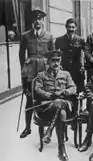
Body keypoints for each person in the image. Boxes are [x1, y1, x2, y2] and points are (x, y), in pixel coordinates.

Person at [35, 50, 77, 161]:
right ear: (48, 62)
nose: (56, 63)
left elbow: (73, 88)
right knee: (61, 112)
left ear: (61, 61)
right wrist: (49, 95)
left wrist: (63, 92)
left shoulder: (66, 74)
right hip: (47, 108)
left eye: (58, 60)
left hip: (65, 103)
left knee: (60, 104)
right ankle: (61, 150)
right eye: (53, 61)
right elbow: (37, 90)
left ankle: (49, 132)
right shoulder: (41, 75)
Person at [19, 8, 54, 138]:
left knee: (45, 98)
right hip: (30, 72)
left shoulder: (49, 36)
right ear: (32, 22)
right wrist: (24, 71)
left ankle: (47, 126)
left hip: (44, 72)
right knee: (29, 99)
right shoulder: (25, 36)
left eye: (39, 19)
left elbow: (52, 55)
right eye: (34, 19)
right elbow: (21, 56)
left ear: (42, 20)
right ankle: (27, 128)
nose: (37, 21)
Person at [55, 18, 85, 93]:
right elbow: (56, 54)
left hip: (77, 70)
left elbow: (83, 54)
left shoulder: (81, 40)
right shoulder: (59, 40)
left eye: (73, 27)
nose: (71, 29)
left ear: (76, 28)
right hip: (64, 69)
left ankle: (78, 104)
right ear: (66, 27)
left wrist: (82, 66)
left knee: (78, 91)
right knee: (65, 90)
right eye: (69, 27)